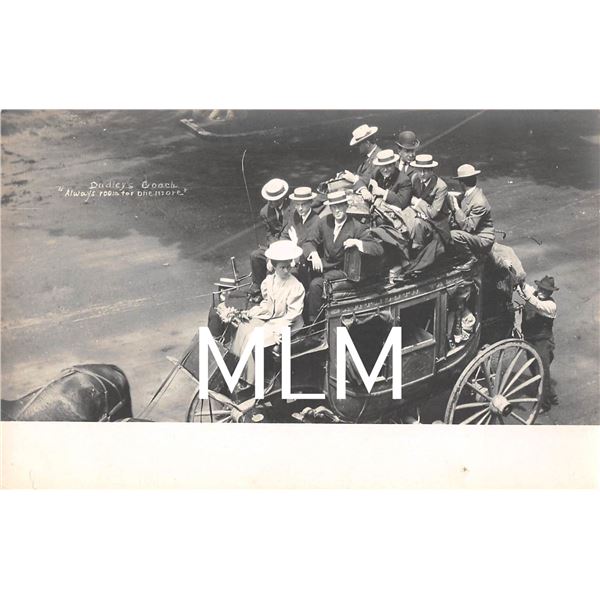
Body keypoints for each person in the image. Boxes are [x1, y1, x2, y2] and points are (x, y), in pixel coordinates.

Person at [231, 240, 305, 385]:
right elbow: (267, 303)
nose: (286, 271)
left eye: (288, 266)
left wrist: (279, 331)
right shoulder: (269, 281)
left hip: (289, 322)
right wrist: (253, 312)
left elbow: (293, 314)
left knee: (254, 338)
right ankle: (239, 371)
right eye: (282, 267)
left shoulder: (296, 286)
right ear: (274, 267)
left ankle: (255, 381)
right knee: (243, 328)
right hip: (273, 316)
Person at [303, 190, 383, 321]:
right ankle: (303, 317)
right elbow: (309, 242)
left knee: (316, 284)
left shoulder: (357, 227)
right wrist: (314, 253)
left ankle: (315, 324)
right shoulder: (324, 222)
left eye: (340, 206)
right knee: (303, 271)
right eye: (333, 207)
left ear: (346, 206)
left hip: (344, 271)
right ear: (330, 208)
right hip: (325, 266)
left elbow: (377, 249)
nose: (337, 210)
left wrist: (357, 242)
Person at [517, 275, 559, 413]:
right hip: (530, 339)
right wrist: (520, 282)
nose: (541, 291)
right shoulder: (535, 293)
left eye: (545, 290)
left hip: (543, 342)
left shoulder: (550, 306)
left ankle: (544, 404)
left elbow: (537, 304)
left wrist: (526, 294)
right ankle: (551, 395)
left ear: (550, 292)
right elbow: (525, 287)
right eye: (540, 288)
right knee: (535, 370)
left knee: (542, 372)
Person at [249, 178, 292, 297]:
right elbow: (269, 235)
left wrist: (275, 255)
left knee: (275, 266)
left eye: (273, 199)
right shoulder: (264, 212)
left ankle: (276, 292)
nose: (270, 202)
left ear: (282, 197)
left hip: (290, 246)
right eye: (268, 199)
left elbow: (288, 232)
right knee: (255, 255)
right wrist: (270, 254)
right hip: (275, 246)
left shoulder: (293, 207)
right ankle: (258, 289)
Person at [448, 164, 495, 270]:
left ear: (461, 182)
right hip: (475, 235)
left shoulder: (479, 202)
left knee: (453, 235)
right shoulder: (472, 193)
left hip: (483, 239)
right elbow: (463, 197)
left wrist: (456, 207)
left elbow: (469, 227)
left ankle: (471, 259)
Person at [282, 186, 321, 288]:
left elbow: (309, 244)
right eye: (297, 204)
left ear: (310, 202)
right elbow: (285, 235)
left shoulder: (316, 220)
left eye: (303, 204)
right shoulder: (294, 215)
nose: (300, 208)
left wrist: (295, 242)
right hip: (292, 256)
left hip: (306, 261)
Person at [340, 124, 381, 202]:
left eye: (359, 144)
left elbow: (368, 180)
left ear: (367, 143)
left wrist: (353, 178)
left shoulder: (378, 157)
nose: (357, 147)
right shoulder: (369, 155)